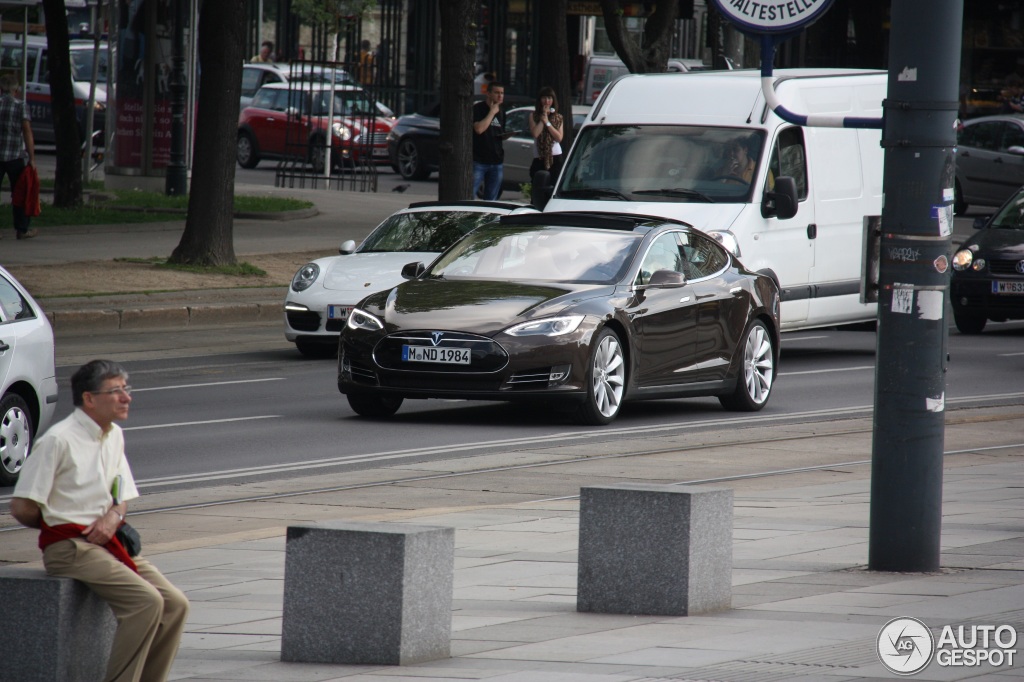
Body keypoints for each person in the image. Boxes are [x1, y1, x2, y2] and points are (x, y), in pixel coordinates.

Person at [10, 360, 190, 682]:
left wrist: (112, 516)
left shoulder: (114, 436)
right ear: (89, 399)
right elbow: (22, 506)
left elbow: (121, 495)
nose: (126, 397)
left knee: (175, 604)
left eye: (127, 389)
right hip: (69, 547)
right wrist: (62, 524)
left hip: (108, 540)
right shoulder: (58, 440)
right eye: (116, 391)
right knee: (146, 603)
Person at [0, 73, 36, 240]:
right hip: (15, 157)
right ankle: (22, 229)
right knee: (20, 193)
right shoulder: (21, 105)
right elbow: (27, 131)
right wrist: (32, 157)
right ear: (16, 90)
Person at [472, 81, 511, 201]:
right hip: (479, 160)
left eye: (502, 93)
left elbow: (498, 132)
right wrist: (492, 112)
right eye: (497, 93)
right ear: (488, 94)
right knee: (469, 195)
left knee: (491, 199)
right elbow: (479, 129)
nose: (500, 96)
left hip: (496, 161)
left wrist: (506, 135)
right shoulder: (478, 109)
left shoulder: (502, 112)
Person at [528, 86, 565, 182]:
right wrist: (543, 119)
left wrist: (548, 123)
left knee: (553, 184)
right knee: (538, 183)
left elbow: (559, 137)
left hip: (555, 156)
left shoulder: (558, 117)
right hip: (539, 156)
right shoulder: (533, 115)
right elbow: (535, 133)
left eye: (549, 98)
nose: (547, 101)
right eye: (544, 98)